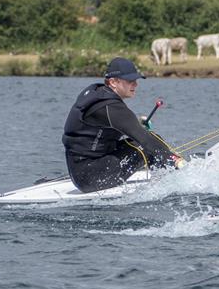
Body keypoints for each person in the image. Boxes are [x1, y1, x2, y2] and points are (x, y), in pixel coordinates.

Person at [62, 57, 182, 193]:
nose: (135, 84)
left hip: (84, 171)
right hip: (91, 178)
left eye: (135, 80)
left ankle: (166, 178)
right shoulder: (110, 107)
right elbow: (145, 139)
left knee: (148, 142)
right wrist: (176, 160)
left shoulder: (98, 94)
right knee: (146, 146)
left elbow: (106, 123)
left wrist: (136, 121)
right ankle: (170, 185)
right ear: (113, 82)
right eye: (130, 81)